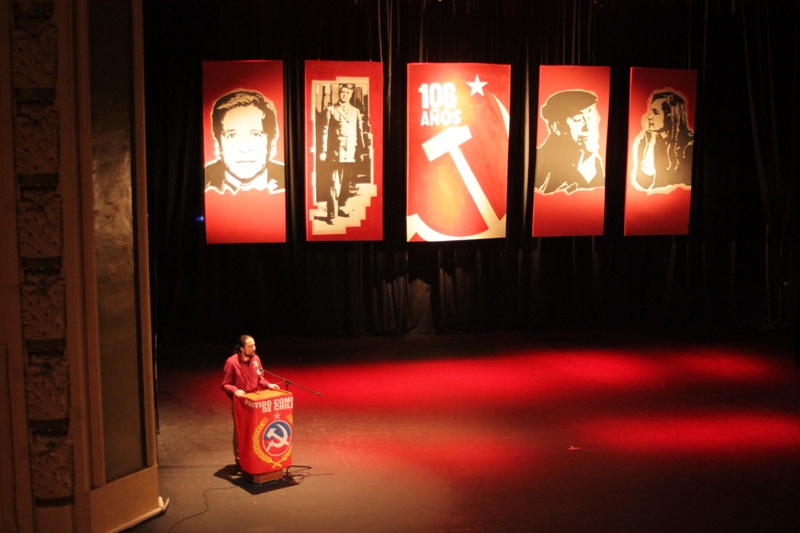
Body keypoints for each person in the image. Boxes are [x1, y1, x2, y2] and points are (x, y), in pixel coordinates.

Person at [205, 90, 285, 194]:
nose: (244, 149)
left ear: (272, 144)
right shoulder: (202, 181)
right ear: (218, 146)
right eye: (232, 135)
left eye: (255, 135)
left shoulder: (291, 179)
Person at [221, 335, 280, 466]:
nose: (254, 348)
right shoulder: (232, 362)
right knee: (241, 431)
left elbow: (260, 378)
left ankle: (256, 458)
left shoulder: (256, 359)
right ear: (241, 348)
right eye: (250, 346)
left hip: (256, 400)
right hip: (241, 402)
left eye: (254, 345)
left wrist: (268, 384)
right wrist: (235, 390)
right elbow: (225, 384)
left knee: (257, 429)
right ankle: (239, 461)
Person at [534, 89, 605, 194]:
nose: (588, 127)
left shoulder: (595, 163)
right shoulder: (540, 163)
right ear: (556, 127)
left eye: (591, 118)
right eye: (578, 119)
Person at [318, 83, 367, 223]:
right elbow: (324, 132)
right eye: (342, 92)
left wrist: (361, 151)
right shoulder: (331, 110)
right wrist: (323, 150)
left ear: (351, 94)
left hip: (350, 152)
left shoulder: (355, 111)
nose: (344, 94)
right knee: (334, 182)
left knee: (346, 183)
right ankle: (331, 214)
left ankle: (339, 207)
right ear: (339, 93)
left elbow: (359, 132)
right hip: (335, 152)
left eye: (347, 92)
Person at [631, 90, 694, 190]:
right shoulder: (646, 140)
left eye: (655, 112)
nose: (649, 117)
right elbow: (643, 182)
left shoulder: (689, 145)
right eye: (651, 111)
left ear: (671, 116)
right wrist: (651, 142)